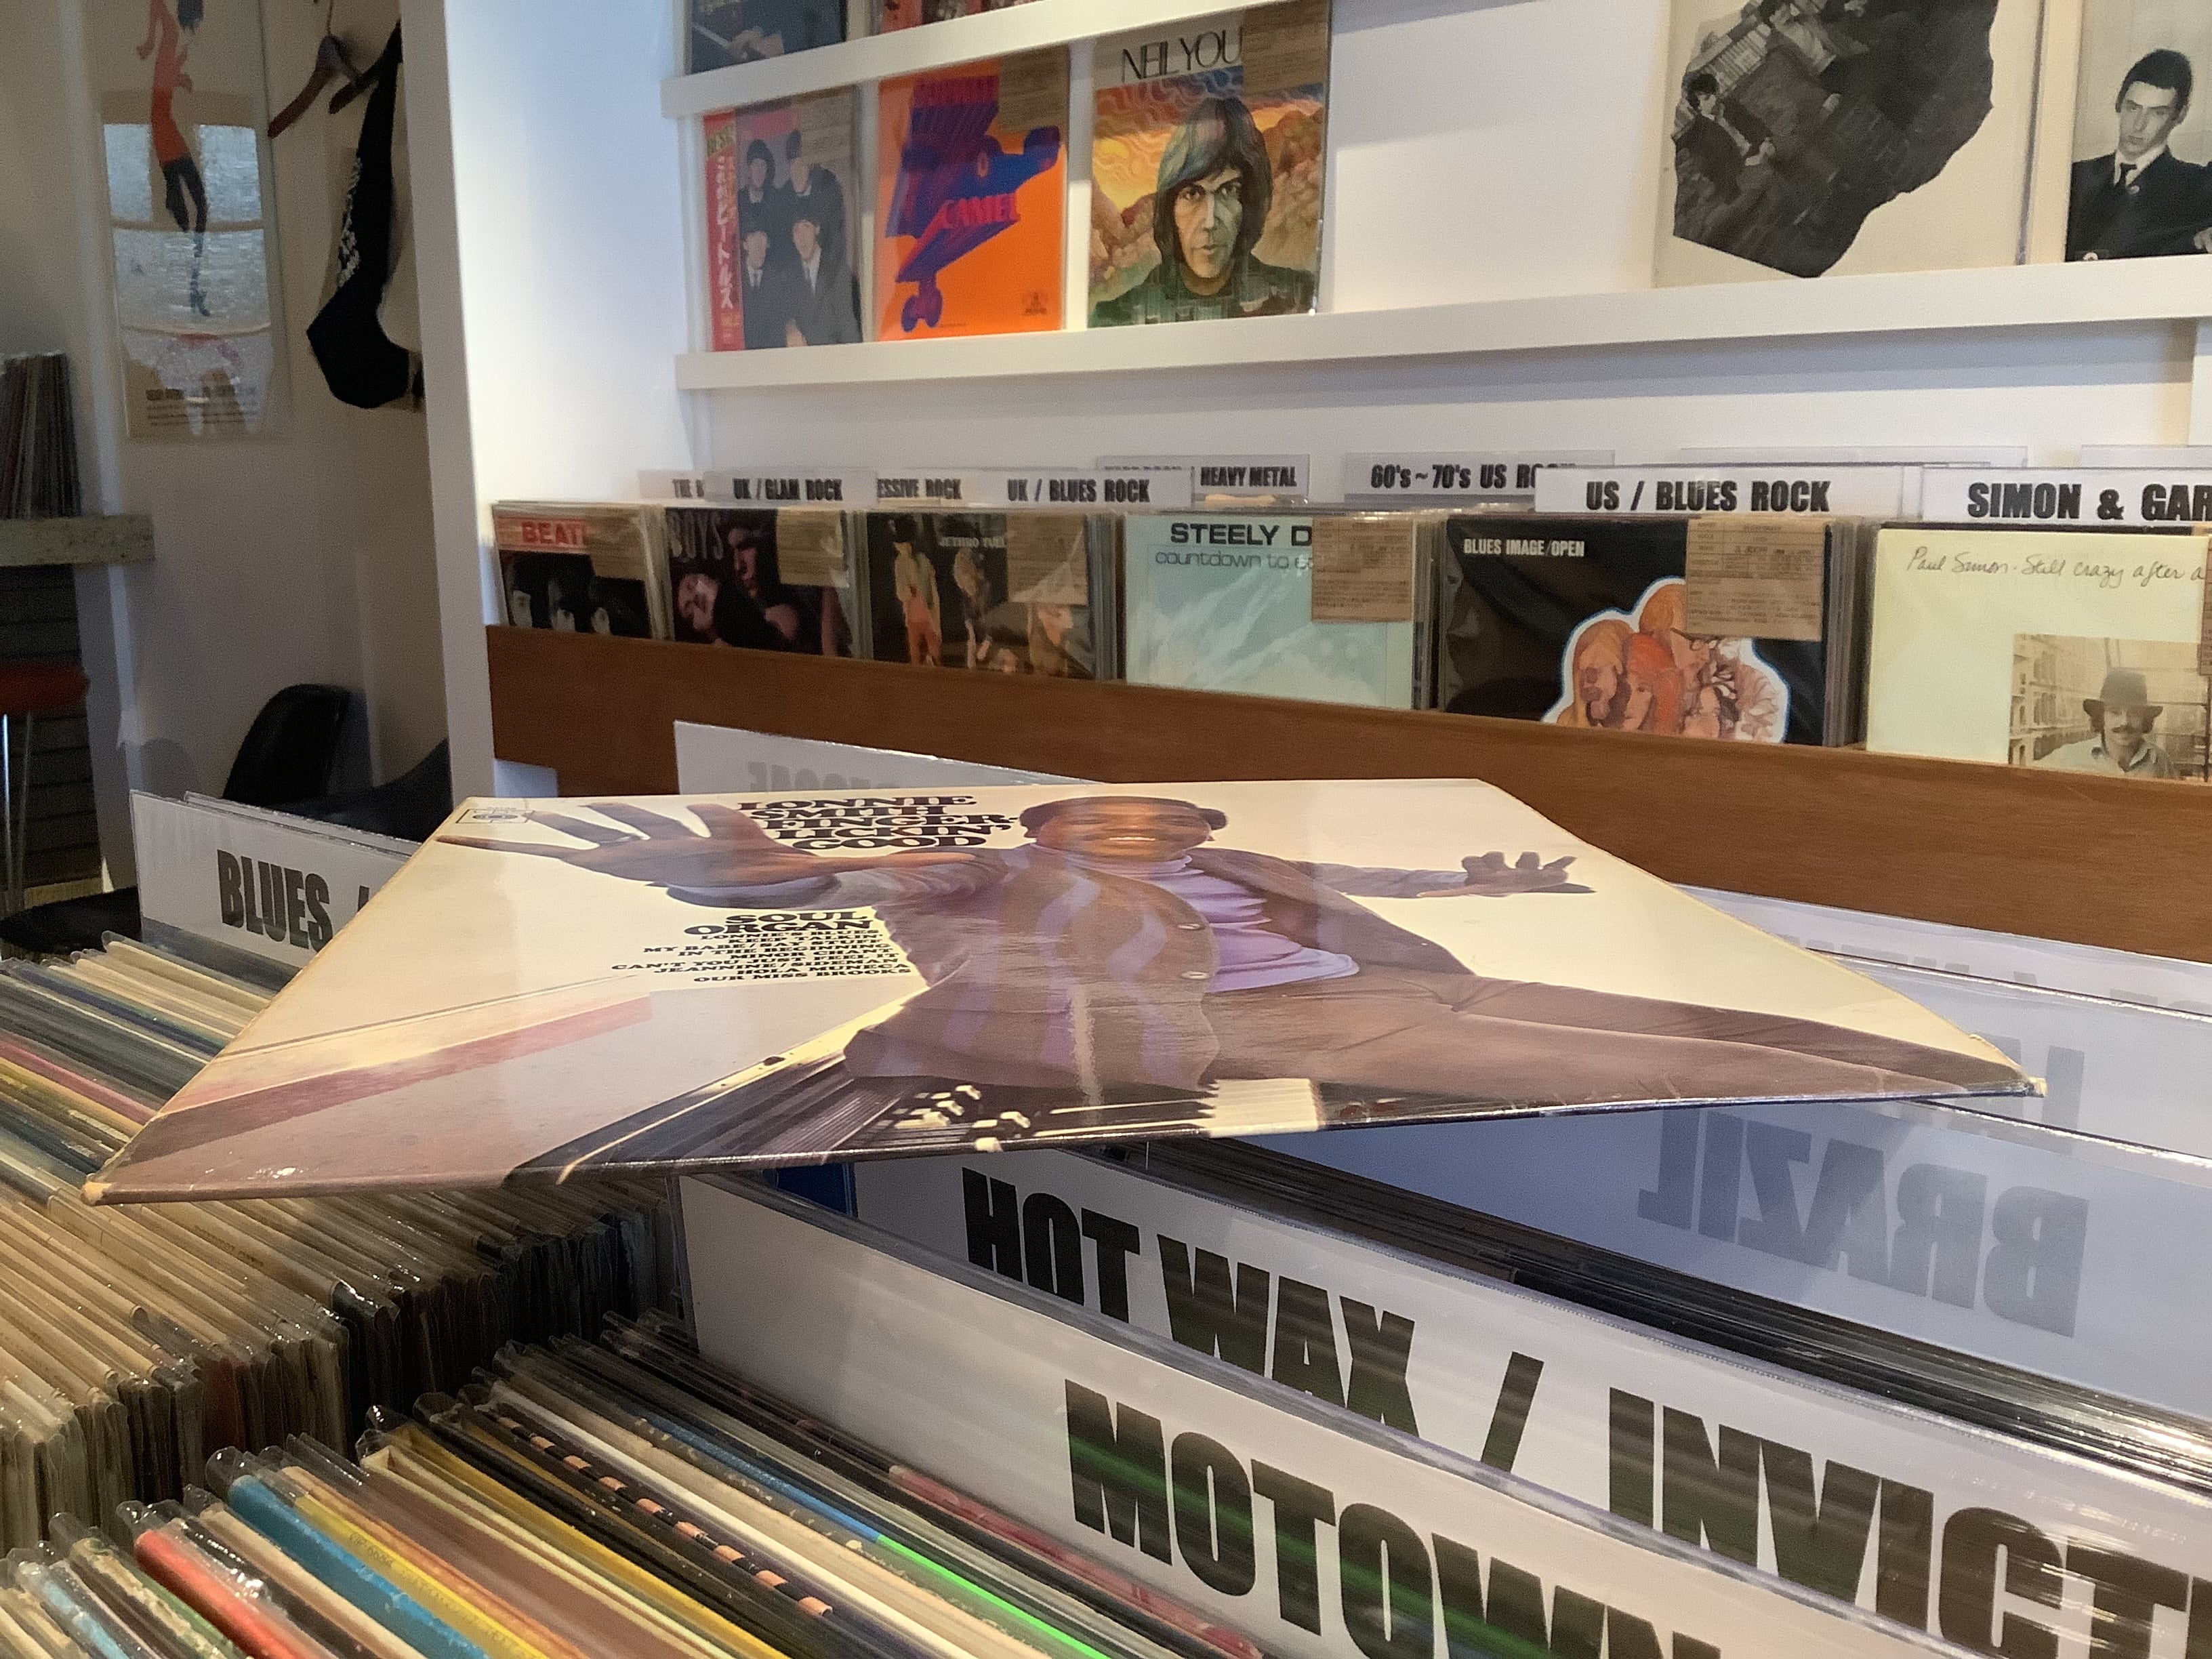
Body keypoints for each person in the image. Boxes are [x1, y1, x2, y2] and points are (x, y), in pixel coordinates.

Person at [445, 796, 2022, 1109]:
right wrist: (731, 871)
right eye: (1119, 821)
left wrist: (1473, 878)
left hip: (1404, 980)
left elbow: (1365, 873)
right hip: (1306, 1034)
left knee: (1707, 1019)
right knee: (1661, 1065)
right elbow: (825, 886)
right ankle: (1915, 1083)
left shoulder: (1229, 858)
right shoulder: (987, 883)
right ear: (1062, 827)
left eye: (1170, 821)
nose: (1153, 833)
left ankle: (1932, 1070)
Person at [1090, 95, 1315, 326]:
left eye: (1228, 191)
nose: (1209, 222)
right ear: (1170, 209)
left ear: (1250, 203)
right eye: (1192, 194)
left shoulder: (1298, 296)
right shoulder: (1117, 317)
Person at [2068, 50, 2212, 261]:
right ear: (2119, 103)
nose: (2139, 125)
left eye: (2158, 113)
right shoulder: (2073, 176)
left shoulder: (2198, 187)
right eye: (2133, 108)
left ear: (2180, 115)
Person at [138, 0, 210, 317]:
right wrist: (148, 41)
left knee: (198, 206)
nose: (197, 26)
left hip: (164, 126)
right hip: (164, 128)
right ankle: (192, 284)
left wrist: (181, 78)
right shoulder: (170, 34)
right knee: (197, 205)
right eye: (197, 19)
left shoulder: (176, 42)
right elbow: (156, 4)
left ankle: (193, 283)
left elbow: (164, 79)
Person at [2032, 667, 2179, 777]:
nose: (2124, 722)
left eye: (2134, 713)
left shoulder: (2160, 761)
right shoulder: (2069, 757)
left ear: (2145, 719)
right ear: (2101, 716)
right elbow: (2026, 782)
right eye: (2115, 712)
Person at [1676, 70, 1774, 205]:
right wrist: (1748, 163)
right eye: (1707, 98)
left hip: (1760, 150)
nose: (1715, 99)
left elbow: (1756, 125)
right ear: (1698, 106)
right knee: (1767, 177)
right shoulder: (1698, 137)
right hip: (1739, 176)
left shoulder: (1730, 105)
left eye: (1714, 92)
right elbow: (1716, 173)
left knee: (1788, 150)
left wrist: (1765, 142)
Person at [780, 212, 860, 345]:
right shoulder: (790, 276)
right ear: (793, 238)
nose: (802, 237)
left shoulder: (837, 270)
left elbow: (848, 325)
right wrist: (791, 327)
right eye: (796, 230)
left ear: (817, 229)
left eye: (806, 227)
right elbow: (785, 313)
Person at [783, 130, 846, 268]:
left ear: (812, 166)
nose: (797, 171)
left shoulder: (830, 189)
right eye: (793, 164)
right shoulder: (784, 198)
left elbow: (838, 241)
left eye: (802, 163)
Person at [888, 523, 942, 665]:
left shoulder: (922, 560)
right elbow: (900, 592)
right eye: (898, 546)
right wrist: (908, 591)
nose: (901, 548)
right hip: (912, 618)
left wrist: (936, 619)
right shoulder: (899, 563)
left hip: (928, 615)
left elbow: (931, 589)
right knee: (915, 654)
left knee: (935, 652)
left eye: (903, 545)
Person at [737, 226, 792, 350]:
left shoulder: (778, 279)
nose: (759, 245)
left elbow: (782, 319)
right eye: (753, 237)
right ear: (745, 245)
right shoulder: (734, 277)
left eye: (763, 238)